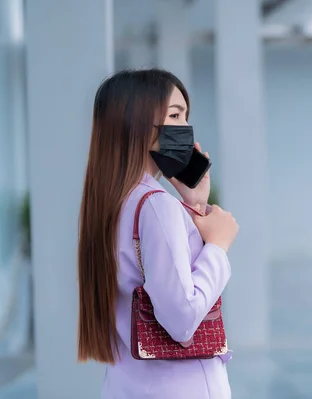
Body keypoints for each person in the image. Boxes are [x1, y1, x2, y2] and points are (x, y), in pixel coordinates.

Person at [76, 69, 239, 399]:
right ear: (136, 121)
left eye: (185, 116)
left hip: (128, 385)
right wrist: (219, 247)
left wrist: (194, 203)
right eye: (175, 115)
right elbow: (181, 318)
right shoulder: (155, 206)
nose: (185, 129)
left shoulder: (109, 200)